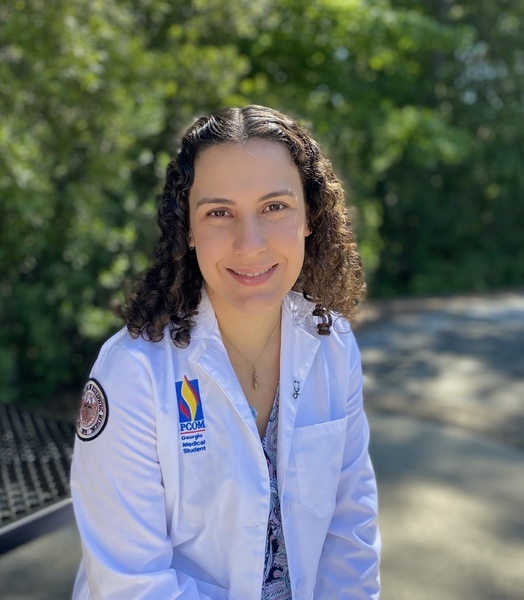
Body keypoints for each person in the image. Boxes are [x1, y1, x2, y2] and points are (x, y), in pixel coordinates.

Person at [70, 104, 381, 599]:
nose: (249, 243)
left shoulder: (333, 344)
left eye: (274, 207)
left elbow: (351, 532)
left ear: (310, 216)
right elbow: (131, 582)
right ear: (189, 230)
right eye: (219, 212)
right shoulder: (132, 371)